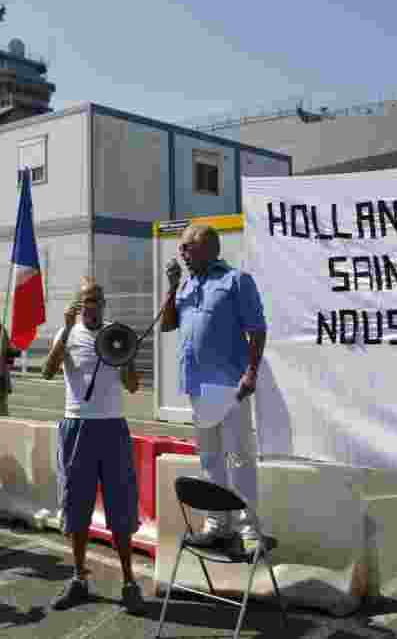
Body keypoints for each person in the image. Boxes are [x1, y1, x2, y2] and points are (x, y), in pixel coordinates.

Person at [160, 224, 267, 549]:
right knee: (210, 458)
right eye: (181, 249)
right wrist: (172, 287)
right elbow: (167, 324)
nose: (181, 254)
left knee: (239, 458)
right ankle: (217, 523)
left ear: (207, 248)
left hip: (230, 386)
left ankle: (249, 531)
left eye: (186, 248)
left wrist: (251, 371)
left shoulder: (236, 281)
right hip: (198, 386)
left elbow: (257, 329)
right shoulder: (186, 284)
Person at [42, 278, 144, 614]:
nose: (94, 305)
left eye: (99, 299)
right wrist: (65, 330)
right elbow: (47, 373)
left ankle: (129, 582)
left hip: (112, 427)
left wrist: (126, 357)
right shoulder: (67, 333)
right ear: (78, 303)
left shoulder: (117, 333)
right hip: (77, 425)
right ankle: (78, 578)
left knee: (121, 505)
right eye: (88, 299)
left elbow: (132, 387)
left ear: (104, 304)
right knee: (77, 504)